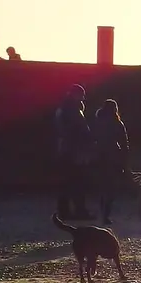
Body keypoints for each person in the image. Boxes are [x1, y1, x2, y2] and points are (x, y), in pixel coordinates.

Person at [53, 86, 93, 220]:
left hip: (64, 150)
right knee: (78, 182)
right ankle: (80, 211)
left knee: (66, 183)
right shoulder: (74, 110)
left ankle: (64, 211)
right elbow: (81, 131)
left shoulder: (62, 109)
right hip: (74, 151)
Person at [90, 98, 130, 225]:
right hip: (112, 157)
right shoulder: (117, 123)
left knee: (101, 186)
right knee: (110, 187)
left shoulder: (96, 122)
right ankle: (106, 214)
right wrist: (125, 161)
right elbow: (124, 143)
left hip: (98, 156)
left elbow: (91, 137)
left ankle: (101, 211)